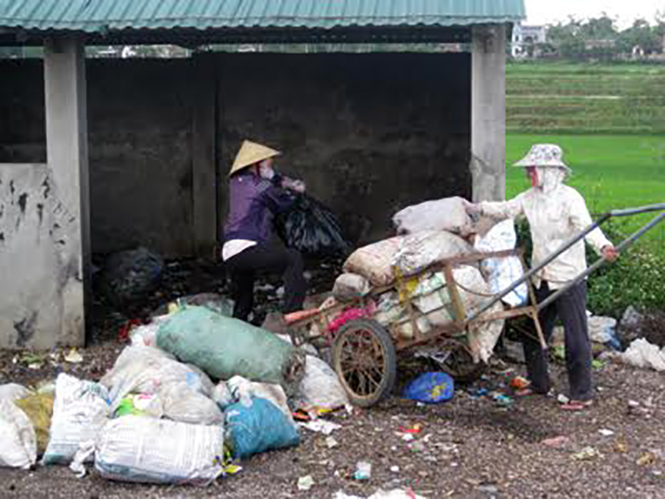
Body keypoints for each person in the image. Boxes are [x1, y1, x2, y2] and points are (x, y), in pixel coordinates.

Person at [464, 144, 618, 411]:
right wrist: (477, 207)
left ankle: (582, 393)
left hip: (569, 277)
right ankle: (539, 383)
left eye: (531, 170)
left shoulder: (571, 198)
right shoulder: (530, 197)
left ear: (547, 171)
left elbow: (586, 227)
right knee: (532, 332)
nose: (528, 175)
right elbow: (506, 209)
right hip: (541, 276)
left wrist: (603, 246)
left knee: (576, 337)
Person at [222, 140, 307, 322]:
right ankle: (293, 313)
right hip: (246, 247)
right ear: (256, 164)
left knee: (243, 302)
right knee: (293, 258)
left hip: (230, 252)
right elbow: (284, 201)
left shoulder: (236, 183)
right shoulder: (259, 185)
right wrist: (294, 188)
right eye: (268, 163)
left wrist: (272, 177)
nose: (271, 167)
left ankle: (236, 331)